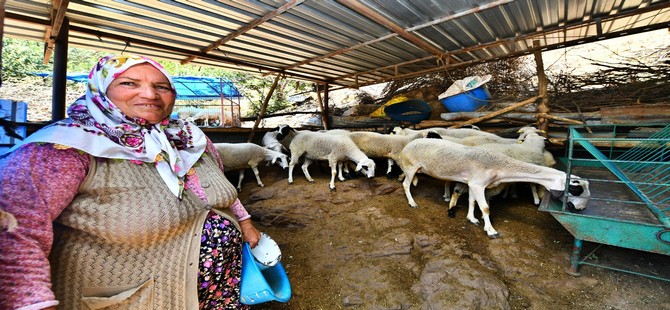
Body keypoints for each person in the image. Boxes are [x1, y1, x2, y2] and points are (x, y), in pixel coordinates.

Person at [0, 54, 261, 309]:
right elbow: (15, 232)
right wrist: (33, 302)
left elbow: (219, 188)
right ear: (100, 90)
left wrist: (245, 222)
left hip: (220, 283)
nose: (150, 94)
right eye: (129, 83)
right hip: (134, 297)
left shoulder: (189, 138)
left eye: (161, 86)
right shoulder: (60, 148)